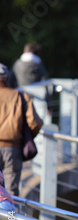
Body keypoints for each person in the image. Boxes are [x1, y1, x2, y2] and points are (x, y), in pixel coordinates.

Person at [0, 63, 43, 197]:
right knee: (11, 192)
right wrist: (25, 137)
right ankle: (10, 218)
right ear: (7, 79)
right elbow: (35, 123)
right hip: (13, 149)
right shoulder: (20, 96)